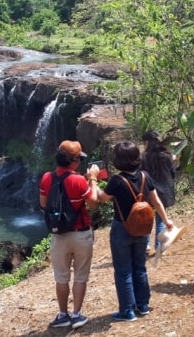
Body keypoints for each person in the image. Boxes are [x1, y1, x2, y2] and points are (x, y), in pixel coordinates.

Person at [86, 141, 176, 322]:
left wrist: (93, 179)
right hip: (143, 228)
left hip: (122, 229)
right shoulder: (145, 176)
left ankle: (127, 310)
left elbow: (100, 199)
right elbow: (156, 201)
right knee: (140, 267)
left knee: (123, 270)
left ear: (118, 161)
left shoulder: (117, 181)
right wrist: (167, 221)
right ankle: (142, 305)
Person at [39, 140, 97, 329]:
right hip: (81, 234)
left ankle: (63, 315)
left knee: (61, 277)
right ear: (75, 160)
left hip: (59, 235)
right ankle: (77, 315)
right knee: (80, 276)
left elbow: (43, 204)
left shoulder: (47, 178)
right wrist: (93, 179)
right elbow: (94, 202)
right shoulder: (79, 180)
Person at [141, 130, 178, 256]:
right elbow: (173, 174)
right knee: (161, 219)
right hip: (165, 192)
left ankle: (145, 246)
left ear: (146, 142)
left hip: (148, 192)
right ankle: (159, 246)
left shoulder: (143, 157)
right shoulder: (167, 156)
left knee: (146, 219)